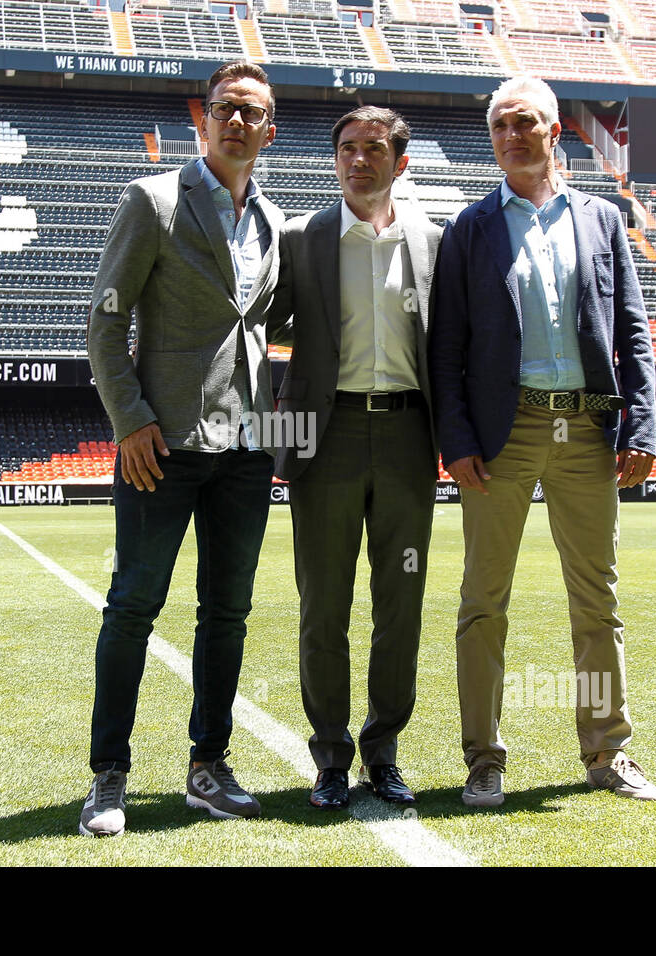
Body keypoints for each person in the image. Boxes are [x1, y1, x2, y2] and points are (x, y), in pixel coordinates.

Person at [428, 75, 656, 808]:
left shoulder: (602, 219)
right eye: (499, 125)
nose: (510, 136)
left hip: (589, 426)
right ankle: (483, 759)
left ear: (553, 131)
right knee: (483, 600)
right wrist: (457, 439)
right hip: (505, 433)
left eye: (523, 123)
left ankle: (607, 753)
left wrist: (641, 421)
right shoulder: (469, 229)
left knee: (597, 600)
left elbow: (633, 332)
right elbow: (446, 349)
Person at [81, 60, 286, 837]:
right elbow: (104, 320)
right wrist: (130, 419)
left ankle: (208, 766)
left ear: (271, 130)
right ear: (203, 120)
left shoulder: (274, 223)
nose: (237, 122)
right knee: (133, 605)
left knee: (227, 612)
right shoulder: (154, 200)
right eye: (225, 108)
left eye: (252, 113)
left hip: (246, 446)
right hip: (158, 446)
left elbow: (266, 325)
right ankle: (109, 776)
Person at [268, 107, 442, 810]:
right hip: (325, 433)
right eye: (347, 148)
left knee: (400, 605)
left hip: (407, 437)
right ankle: (331, 757)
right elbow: (255, 325)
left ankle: (384, 749)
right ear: (334, 158)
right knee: (324, 607)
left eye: (374, 149)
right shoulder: (300, 240)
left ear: (401, 162)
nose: (358, 160)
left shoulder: (435, 242)